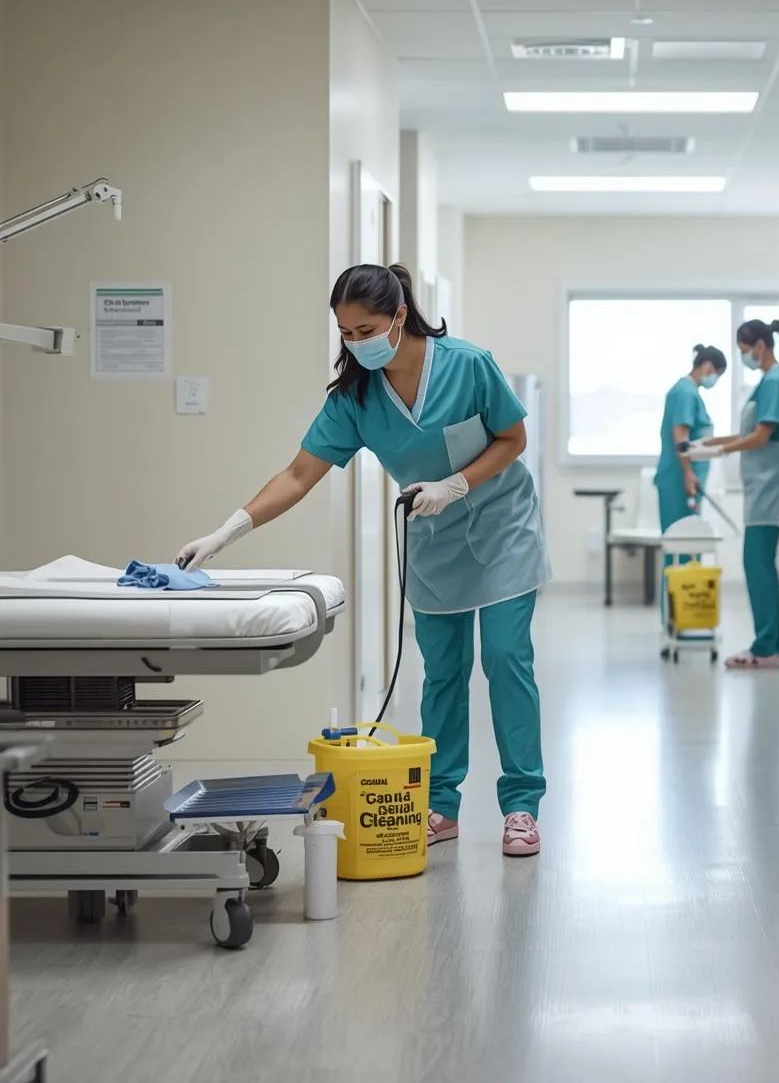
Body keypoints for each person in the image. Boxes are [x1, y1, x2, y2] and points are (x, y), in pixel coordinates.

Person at [175, 263, 551, 857]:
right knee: (444, 674)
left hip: (503, 530)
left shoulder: (468, 364)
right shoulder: (356, 398)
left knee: (506, 661)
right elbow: (300, 474)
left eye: (365, 329)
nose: (355, 343)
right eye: (345, 332)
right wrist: (228, 531)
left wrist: (453, 484)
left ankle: (522, 806)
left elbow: (514, 439)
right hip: (435, 542)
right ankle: (442, 804)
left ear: (399, 317)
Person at [686, 319, 779, 669]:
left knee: (757, 564)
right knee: (761, 564)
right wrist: (707, 443)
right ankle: (772, 644)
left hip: (771, 485)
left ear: (760, 347)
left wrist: (721, 452)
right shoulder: (770, 382)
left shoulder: (777, 383)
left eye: (744, 351)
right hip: (763, 485)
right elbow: (747, 431)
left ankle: (766, 648)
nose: (745, 358)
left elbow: (761, 437)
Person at [654, 344, 727, 534]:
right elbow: (680, 436)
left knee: (688, 543)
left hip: (683, 478)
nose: (715, 380)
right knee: (682, 543)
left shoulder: (688, 391)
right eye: (717, 374)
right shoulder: (686, 393)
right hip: (680, 480)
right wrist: (688, 473)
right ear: (707, 366)